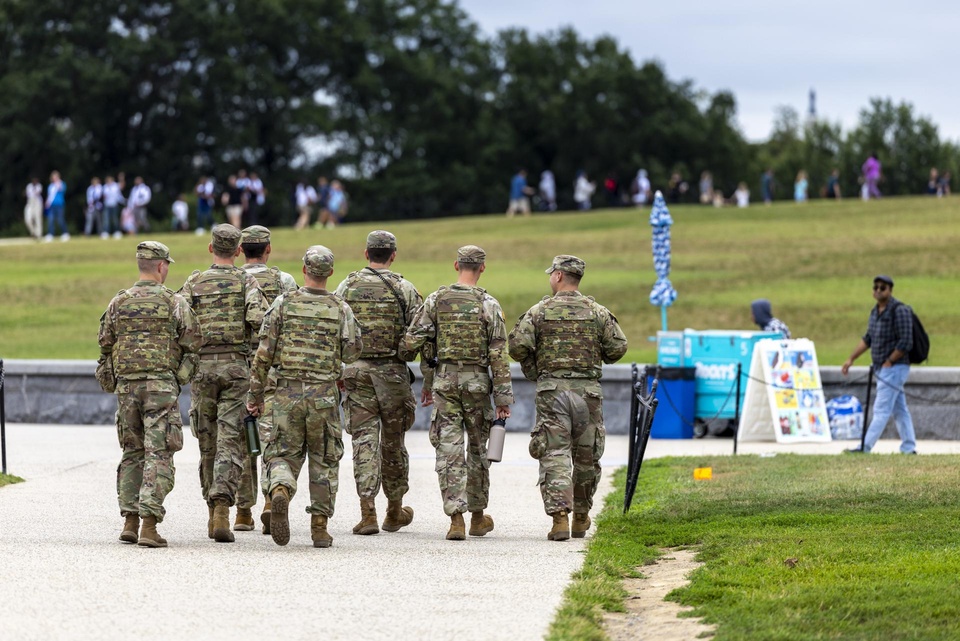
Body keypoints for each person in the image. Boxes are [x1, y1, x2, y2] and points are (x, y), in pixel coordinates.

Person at [246, 245, 362, 548]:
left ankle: (281, 488)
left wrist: (255, 395)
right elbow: (353, 350)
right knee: (324, 459)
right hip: (323, 394)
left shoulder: (283, 304)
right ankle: (320, 526)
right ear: (330, 273)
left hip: (285, 393)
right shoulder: (340, 308)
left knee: (282, 452)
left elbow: (263, 355)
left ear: (304, 270)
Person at [508, 255, 627, 541]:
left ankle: (560, 518)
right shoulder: (597, 312)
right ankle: (582, 516)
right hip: (588, 394)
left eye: (552, 274)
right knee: (586, 457)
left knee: (555, 453)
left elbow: (516, 347)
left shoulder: (538, 311)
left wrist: (534, 368)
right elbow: (617, 349)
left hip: (552, 393)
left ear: (559, 276)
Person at [400, 246, 514, 541]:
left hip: (446, 383)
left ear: (456, 265)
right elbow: (499, 355)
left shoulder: (436, 301)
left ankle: (456, 519)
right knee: (478, 450)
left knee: (449, 449)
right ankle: (478, 517)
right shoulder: (489, 304)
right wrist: (503, 398)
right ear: (482, 268)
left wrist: (425, 372)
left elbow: (414, 341)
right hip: (477, 382)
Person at [97, 241, 203, 547]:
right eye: (167, 264)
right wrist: (178, 378)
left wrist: (115, 379)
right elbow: (194, 344)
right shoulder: (174, 303)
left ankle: (129, 520)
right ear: (160, 266)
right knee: (159, 453)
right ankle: (148, 525)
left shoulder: (119, 302)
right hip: (160, 388)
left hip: (127, 388)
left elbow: (105, 343)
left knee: (132, 452)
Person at [178, 224, 268, 543]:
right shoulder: (247, 281)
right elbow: (261, 323)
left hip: (203, 368)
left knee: (207, 442)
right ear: (238, 250)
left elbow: (179, 320)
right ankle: (222, 507)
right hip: (235, 367)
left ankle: (211, 508)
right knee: (231, 439)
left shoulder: (194, 281)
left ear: (210, 248)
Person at [334, 230, 425, 537]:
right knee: (394, 443)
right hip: (393, 376)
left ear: (366, 253)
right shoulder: (405, 288)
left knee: (363, 442)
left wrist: (339, 368)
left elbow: (334, 326)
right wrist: (404, 351)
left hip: (357, 374)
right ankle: (395, 510)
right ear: (393, 255)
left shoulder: (347, 285)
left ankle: (367, 512)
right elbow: (421, 330)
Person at [238, 225, 299, 534]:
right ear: (268, 249)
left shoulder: (232, 280)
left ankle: (241, 511)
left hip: (238, 369)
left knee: (241, 440)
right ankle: (268, 499)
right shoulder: (283, 281)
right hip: (273, 371)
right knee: (271, 437)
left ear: (240, 250)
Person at [841, 275, 917, 454]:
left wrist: (890, 361)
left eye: (882, 288)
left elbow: (906, 342)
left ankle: (864, 447)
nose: (878, 291)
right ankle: (909, 447)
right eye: (875, 287)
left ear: (890, 290)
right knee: (900, 409)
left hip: (895, 367)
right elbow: (868, 339)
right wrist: (851, 359)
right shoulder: (875, 312)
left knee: (881, 409)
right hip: (882, 368)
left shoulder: (900, 310)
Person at [45, 170, 68, 242]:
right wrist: (47, 203)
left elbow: (62, 189)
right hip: (51, 206)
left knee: (60, 220)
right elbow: (49, 196)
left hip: (59, 205)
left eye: (56, 177)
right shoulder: (50, 186)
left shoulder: (61, 184)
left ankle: (65, 233)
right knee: (50, 220)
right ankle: (50, 234)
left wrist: (58, 183)